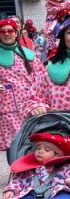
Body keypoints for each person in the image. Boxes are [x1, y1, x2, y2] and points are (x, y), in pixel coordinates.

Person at [0, 16, 36, 157]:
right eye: (3, 31)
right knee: (14, 144)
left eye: (10, 30)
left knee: (34, 141)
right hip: (9, 108)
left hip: (30, 106)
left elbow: (40, 77)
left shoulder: (28, 55)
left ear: (16, 33)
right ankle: (16, 177)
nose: (7, 33)